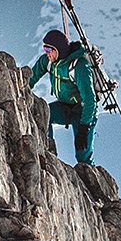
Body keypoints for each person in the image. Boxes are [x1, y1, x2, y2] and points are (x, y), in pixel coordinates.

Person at [29, 28, 98, 164]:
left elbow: (90, 100)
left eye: (49, 50)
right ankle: (48, 151)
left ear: (58, 50)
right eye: (45, 49)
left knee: (82, 156)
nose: (46, 53)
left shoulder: (79, 67)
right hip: (65, 107)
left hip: (83, 112)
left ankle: (92, 181)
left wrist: (84, 129)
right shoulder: (48, 62)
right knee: (44, 114)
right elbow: (31, 78)